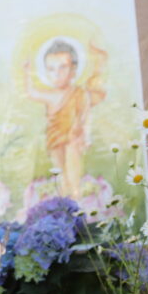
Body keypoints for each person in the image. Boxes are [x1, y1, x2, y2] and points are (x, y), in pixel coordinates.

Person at [23, 38, 107, 198]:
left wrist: (99, 60)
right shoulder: (51, 95)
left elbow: (95, 90)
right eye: (51, 69)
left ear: (74, 70)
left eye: (63, 67)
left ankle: (76, 198)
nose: (57, 74)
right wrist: (27, 72)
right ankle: (65, 200)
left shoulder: (80, 93)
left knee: (73, 170)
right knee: (61, 172)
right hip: (55, 139)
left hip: (74, 139)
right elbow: (31, 92)